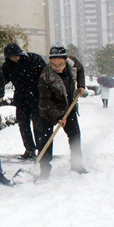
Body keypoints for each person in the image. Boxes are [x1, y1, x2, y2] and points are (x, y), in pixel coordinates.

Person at [37, 43, 88, 179]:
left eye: (60, 64)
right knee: (46, 140)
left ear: (65, 60)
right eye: (54, 65)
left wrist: (81, 85)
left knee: (75, 136)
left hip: (68, 106)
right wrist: (58, 116)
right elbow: (46, 100)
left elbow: (81, 69)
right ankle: (44, 169)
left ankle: (77, 164)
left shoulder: (72, 64)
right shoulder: (45, 77)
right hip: (48, 110)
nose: (57, 68)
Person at [1, 42, 51, 160]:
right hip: (21, 97)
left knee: (38, 124)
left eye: (17, 55)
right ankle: (29, 149)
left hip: (36, 96)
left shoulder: (34, 59)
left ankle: (41, 149)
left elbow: (46, 76)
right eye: (13, 56)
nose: (16, 58)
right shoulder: (8, 66)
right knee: (23, 124)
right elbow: (1, 79)